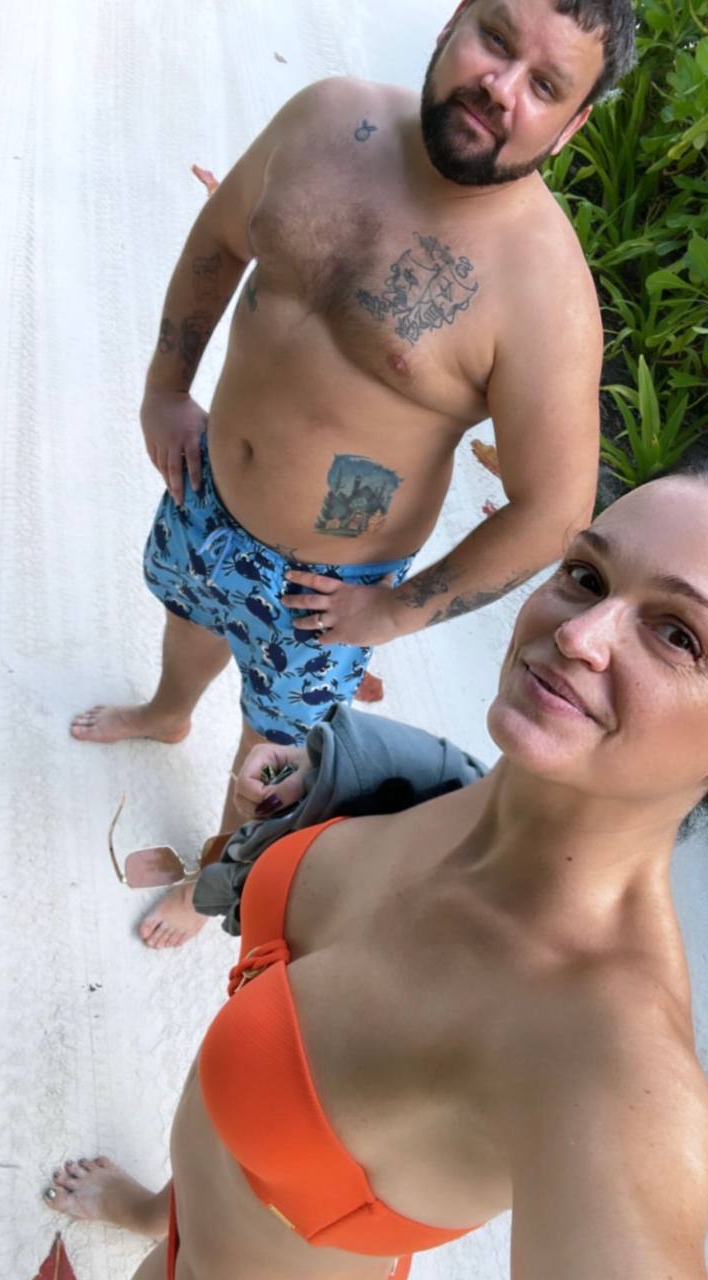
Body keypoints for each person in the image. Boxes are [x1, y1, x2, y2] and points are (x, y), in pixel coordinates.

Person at [70, 0, 636, 948]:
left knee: (269, 756)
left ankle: (212, 872)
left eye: (544, 85)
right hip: (205, 491)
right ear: (453, 23)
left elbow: (553, 509)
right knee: (188, 612)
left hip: (325, 591)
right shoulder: (327, 117)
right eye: (495, 39)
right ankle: (169, 713)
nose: (501, 88)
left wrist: (395, 612)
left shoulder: (545, 295)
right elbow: (220, 237)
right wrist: (165, 389)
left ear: (573, 124)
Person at [46, 473, 708, 1278]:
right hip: (210, 1209)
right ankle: (156, 1209)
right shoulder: (447, 796)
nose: (579, 634)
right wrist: (331, 773)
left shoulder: (613, 1061)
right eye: (587, 576)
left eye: (679, 636)